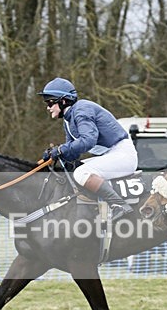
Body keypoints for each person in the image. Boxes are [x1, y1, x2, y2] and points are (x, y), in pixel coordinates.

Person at [37, 77, 138, 220]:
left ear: (63, 101)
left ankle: (119, 205)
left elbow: (88, 140)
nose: (48, 107)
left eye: (50, 102)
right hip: (110, 155)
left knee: (82, 173)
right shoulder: (68, 120)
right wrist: (56, 155)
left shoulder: (81, 110)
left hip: (122, 155)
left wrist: (61, 150)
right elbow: (72, 153)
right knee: (76, 171)